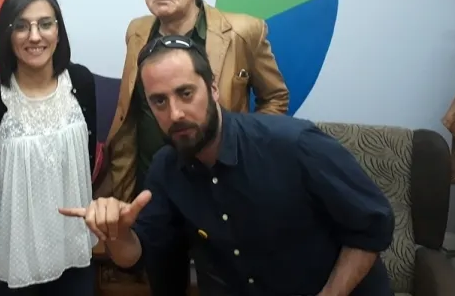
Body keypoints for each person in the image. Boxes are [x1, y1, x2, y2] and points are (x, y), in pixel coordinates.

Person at [63, 35, 394, 296]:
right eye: (159, 101)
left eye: (186, 93)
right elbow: (137, 255)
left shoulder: (294, 144)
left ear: (213, 89)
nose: (175, 113)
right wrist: (118, 234)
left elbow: (373, 225)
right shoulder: (167, 169)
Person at [102, 0, 290, 294]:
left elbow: (275, 97)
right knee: (164, 282)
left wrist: (247, 151)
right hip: (154, 190)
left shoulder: (243, 32)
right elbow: (132, 114)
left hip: (221, 189)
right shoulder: (137, 32)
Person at [0, 0, 104, 296]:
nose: (35, 36)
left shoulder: (81, 83)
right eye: (21, 26)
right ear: (6, 35)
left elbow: (88, 158)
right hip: (10, 263)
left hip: (74, 252)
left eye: (45, 24)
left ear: (58, 31)